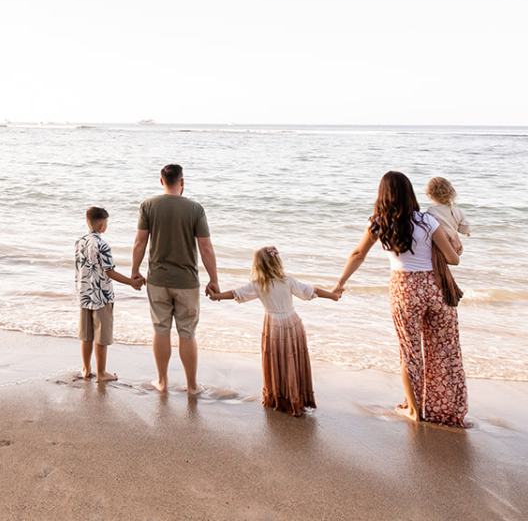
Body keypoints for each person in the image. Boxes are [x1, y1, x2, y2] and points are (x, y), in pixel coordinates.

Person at [333, 170, 468, 426]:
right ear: (410, 193)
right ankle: (446, 411)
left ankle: (415, 411)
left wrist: (340, 284)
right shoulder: (427, 221)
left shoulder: (378, 223)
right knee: (444, 351)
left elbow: (358, 253)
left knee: (410, 353)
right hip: (435, 288)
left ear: (382, 195)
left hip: (404, 290)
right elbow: (454, 259)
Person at [209, 246, 339, 416]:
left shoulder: (258, 285)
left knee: (277, 361)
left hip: (273, 326)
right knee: (293, 361)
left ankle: (280, 398)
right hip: (293, 323)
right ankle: (296, 398)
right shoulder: (287, 280)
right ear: (277, 262)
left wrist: (216, 296)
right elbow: (312, 291)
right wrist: (333, 295)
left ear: (257, 266)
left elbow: (236, 294)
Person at [130, 163, 219, 393]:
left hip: (158, 279)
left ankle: (162, 381)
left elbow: (140, 242)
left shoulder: (148, 206)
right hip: (187, 281)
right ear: (182, 182)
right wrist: (214, 279)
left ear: (161, 181)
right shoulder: (195, 209)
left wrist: (135, 270)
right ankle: (191, 386)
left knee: (160, 329)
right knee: (187, 332)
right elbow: (206, 247)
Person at [75, 205, 142, 381]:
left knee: (86, 335)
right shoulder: (103, 245)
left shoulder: (80, 242)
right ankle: (102, 373)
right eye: (106, 222)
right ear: (102, 224)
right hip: (101, 296)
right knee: (101, 336)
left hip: (84, 293)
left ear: (87, 221)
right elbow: (109, 271)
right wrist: (131, 282)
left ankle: (86, 369)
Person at [424, 176, 470, 254]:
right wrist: (467, 232)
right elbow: (464, 229)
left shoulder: (431, 211)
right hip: (456, 245)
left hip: (440, 245)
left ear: (429, 194)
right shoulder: (456, 210)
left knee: (437, 263)